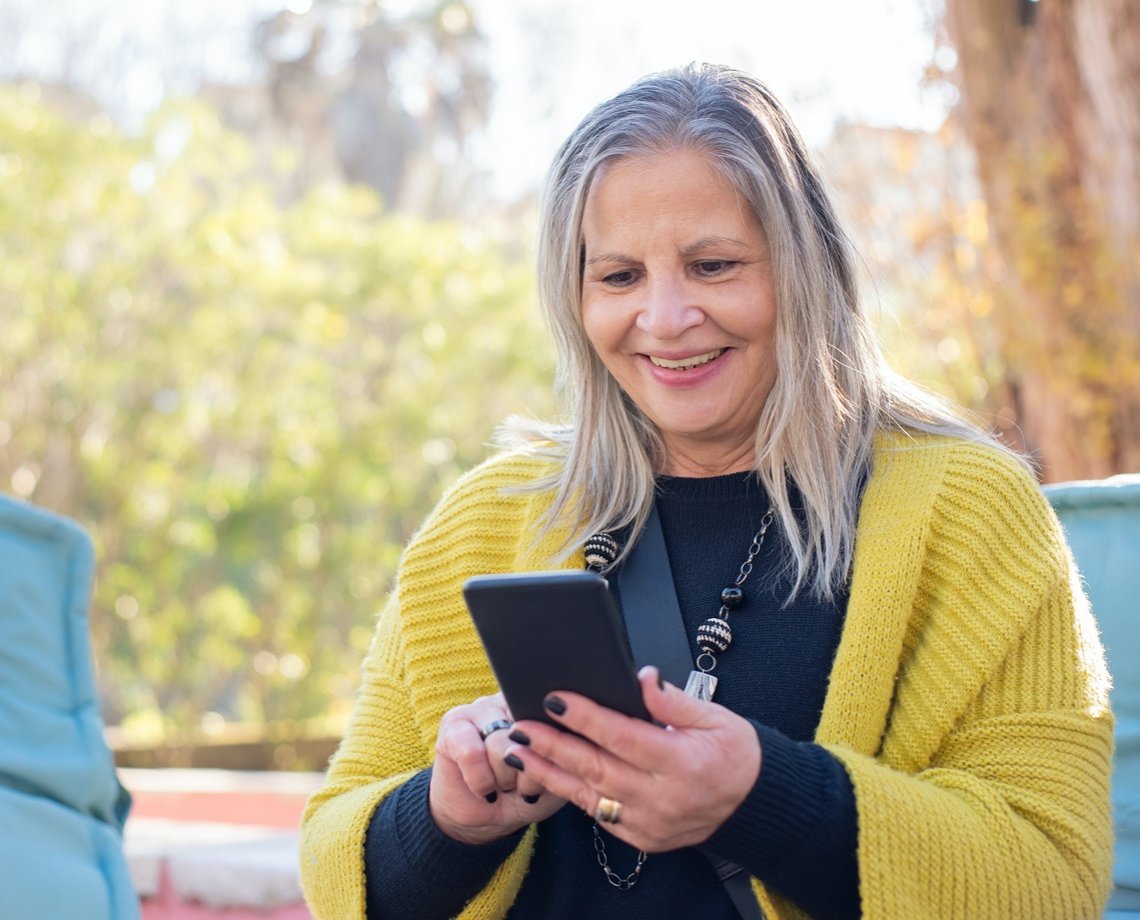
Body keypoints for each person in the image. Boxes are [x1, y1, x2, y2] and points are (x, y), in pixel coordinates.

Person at [299, 63, 1114, 919]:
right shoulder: (488, 518)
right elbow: (332, 856)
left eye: (714, 265)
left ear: (806, 270)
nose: (665, 317)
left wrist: (760, 798)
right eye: (618, 277)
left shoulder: (966, 509)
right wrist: (447, 819)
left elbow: (1050, 876)